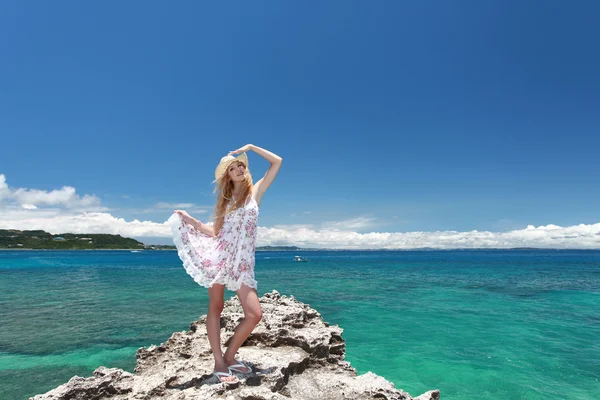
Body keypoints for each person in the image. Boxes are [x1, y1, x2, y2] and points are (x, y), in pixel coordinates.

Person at [167, 144, 282, 383]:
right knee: (216, 307)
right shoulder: (226, 201)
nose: (239, 169)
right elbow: (215, 232)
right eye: (233, 168)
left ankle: (230, 356)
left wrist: (250, 147)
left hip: (243, 264)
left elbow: (277, 162)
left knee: (254, 314)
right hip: (220, 258)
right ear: (227, 175)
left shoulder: (255, 193)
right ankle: (219, 363)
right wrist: (192, 221)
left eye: (241, 165)